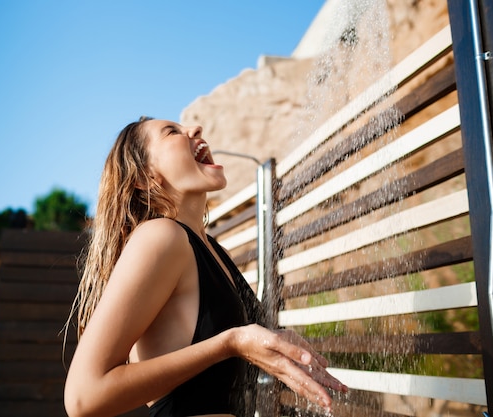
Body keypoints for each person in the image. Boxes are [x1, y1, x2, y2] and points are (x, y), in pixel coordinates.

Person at [63, 117, 347, 417]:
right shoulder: (161, 237)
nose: (196, 129)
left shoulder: (213, 250)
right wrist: (229, 343)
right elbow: (84, 397)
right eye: (172, 132)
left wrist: (274, 341)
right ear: (145, 177)